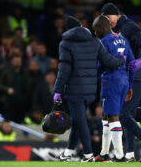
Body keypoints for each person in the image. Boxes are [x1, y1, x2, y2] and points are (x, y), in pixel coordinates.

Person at [53, 16, 125, 162]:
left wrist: (58, 90)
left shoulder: (65, 44)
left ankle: (88, 155)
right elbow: (109, 62)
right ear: (80, 26)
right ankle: (68, 152)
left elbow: (63, 70)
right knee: (77, 120)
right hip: (90, 91)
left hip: (73, 90)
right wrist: (122, 59)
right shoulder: (94, 41)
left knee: (80, 121)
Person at [100, 3, 141, 161]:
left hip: (136, 74)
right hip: (126, 76)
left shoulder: (128, 25)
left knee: (123, 115)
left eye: (108, 17)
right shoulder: (114, 31)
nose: (107, 20)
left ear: (116, 15)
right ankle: (130, 154)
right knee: (128, 115)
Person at [92, 15, 135, 162]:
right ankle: (104, 152)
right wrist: (130, 85)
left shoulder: (103, 42)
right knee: (106, 115)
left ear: (101, 28)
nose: (95, 33)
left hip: (110, 81)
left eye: (95, 29)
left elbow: (100, 65)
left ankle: (119, 156)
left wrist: (92, 79)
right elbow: (131, 63)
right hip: (123, 81)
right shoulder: (123, 39)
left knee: (113, 117)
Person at [0, 55, 29, 123]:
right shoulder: (6, 72)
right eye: (16, 61)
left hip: (21, 103)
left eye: (19, 61)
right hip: (9, 102)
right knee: (8, 121)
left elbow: (28, 87)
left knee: (20, 122)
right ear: (12, 62)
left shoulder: (24, 73)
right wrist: (7, 89)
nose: (18, 63)